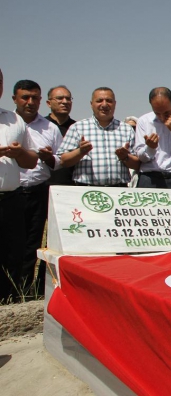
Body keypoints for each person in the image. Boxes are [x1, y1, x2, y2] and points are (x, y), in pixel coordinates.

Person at [13, 80, 62, 293]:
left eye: (35, 98)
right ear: (15, 98)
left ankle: (25, 289)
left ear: (42, 100)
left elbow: (60, 159)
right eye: (25, 97)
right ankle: (9, 289)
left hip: (38, 190)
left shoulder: (49, 127)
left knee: (34, 244)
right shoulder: (8, 122)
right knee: (10, 243)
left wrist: (49, 158)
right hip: (10, 193)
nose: (30, 102)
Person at [0, 68, 39, 302]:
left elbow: (31, 160)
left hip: (10, 200)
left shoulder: (13, 119)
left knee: (13, 254)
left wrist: (19, 152)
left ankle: (9, 302)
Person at [57, 87, 140, 186]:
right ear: (91, 104)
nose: (104, 104)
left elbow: (138, 164)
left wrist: (125, 157)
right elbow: (63, 161)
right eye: (99, 101)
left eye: (109, 101)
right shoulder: (78, 127)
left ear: (115, 104)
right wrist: (80, 151)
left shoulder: (127, 129)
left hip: (118, 190)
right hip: (86, 191)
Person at [133, 87, 171, 189]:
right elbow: (141, 158)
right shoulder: (144, 121)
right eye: (157, 113)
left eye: (166, 112)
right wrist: (150, 148)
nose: (162, 117)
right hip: (150, 179)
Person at [45, 85, 76, 186]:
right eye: (59, 98)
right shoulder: (40, 126)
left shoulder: (77, 128)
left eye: (68, 99)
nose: (65, 102)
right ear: (48, 103)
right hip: (43, 186)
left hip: (70, 185)